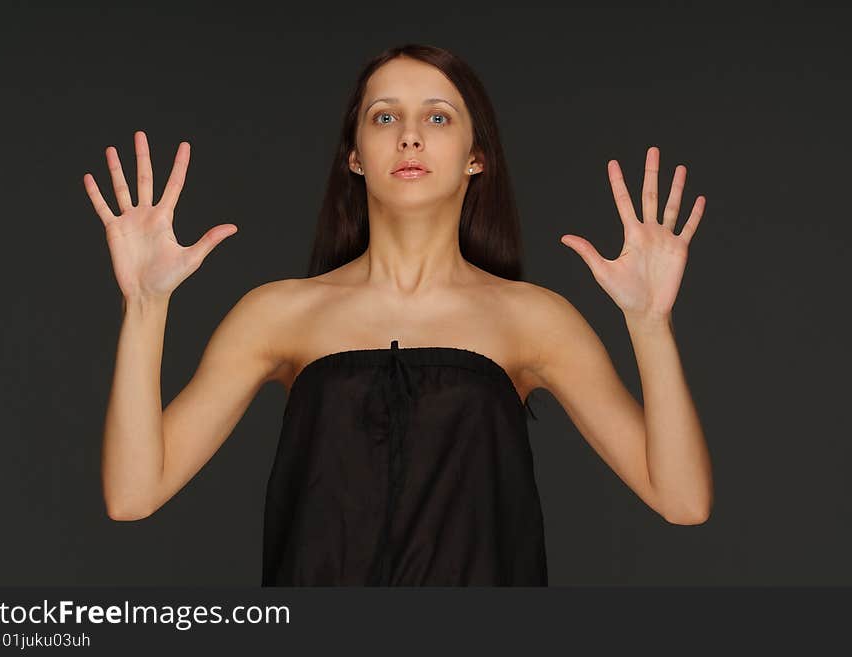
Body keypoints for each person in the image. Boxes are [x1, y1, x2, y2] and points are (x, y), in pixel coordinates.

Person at [85, 43, 713, 586]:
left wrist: (649, 323)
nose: (409, 136)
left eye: (438, 117)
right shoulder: (277, 313)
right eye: (384, 117)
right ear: (354, 155)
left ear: (477, 156)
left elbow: (682, 500)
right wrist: (145, 304)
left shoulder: (534, 319)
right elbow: (134, 493)